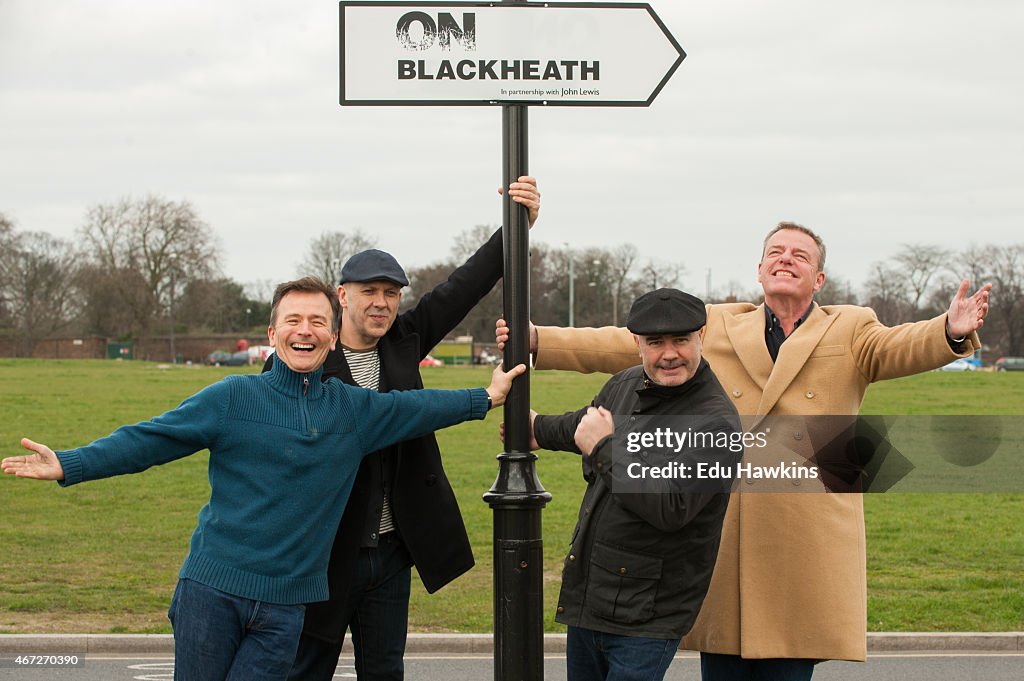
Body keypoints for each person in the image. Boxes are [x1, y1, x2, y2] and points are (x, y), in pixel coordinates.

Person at [499, 223, 991, 680]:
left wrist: (948, 328)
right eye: (774, 251)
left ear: (818, 277)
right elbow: (622, 344)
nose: (785, 259)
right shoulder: (717, 323)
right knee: (725, 658)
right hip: (726, 523)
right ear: (758, 271)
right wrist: (540, 339)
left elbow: (898, 347)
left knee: (789, 664)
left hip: (803, 533)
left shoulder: (851, 327)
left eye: (800, 255)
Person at [2, 277, 525, 681]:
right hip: (213, 593)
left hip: (287, 607)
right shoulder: (232, 398)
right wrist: (71, 464)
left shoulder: (354, 411)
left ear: (331, 333)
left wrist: (485, 397)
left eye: (317, 321)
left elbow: (418, 407)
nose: (306, 330)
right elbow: (150, 439)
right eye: (293, 320)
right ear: (272, 335)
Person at [267, 178, 540, 681]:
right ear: (341, 296)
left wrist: (515, 227)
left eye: (391, 294)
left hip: (391, 552)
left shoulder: (403, 339)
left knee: (385, 671)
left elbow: (464, 286)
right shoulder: (304, 360)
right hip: (324, 552)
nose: (381, 303)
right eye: (369, 291)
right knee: (305, 669)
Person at [525, 288, 742, 681]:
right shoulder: (626, 382)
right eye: (655, 343)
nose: (669, 354)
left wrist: (606, 449)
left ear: (702, 337)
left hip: (649, 615)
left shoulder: (717, 424)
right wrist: (537, 428)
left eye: (681, 340)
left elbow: (671, 507)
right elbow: (586, 424)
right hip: (592, 594)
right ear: (637, 343)